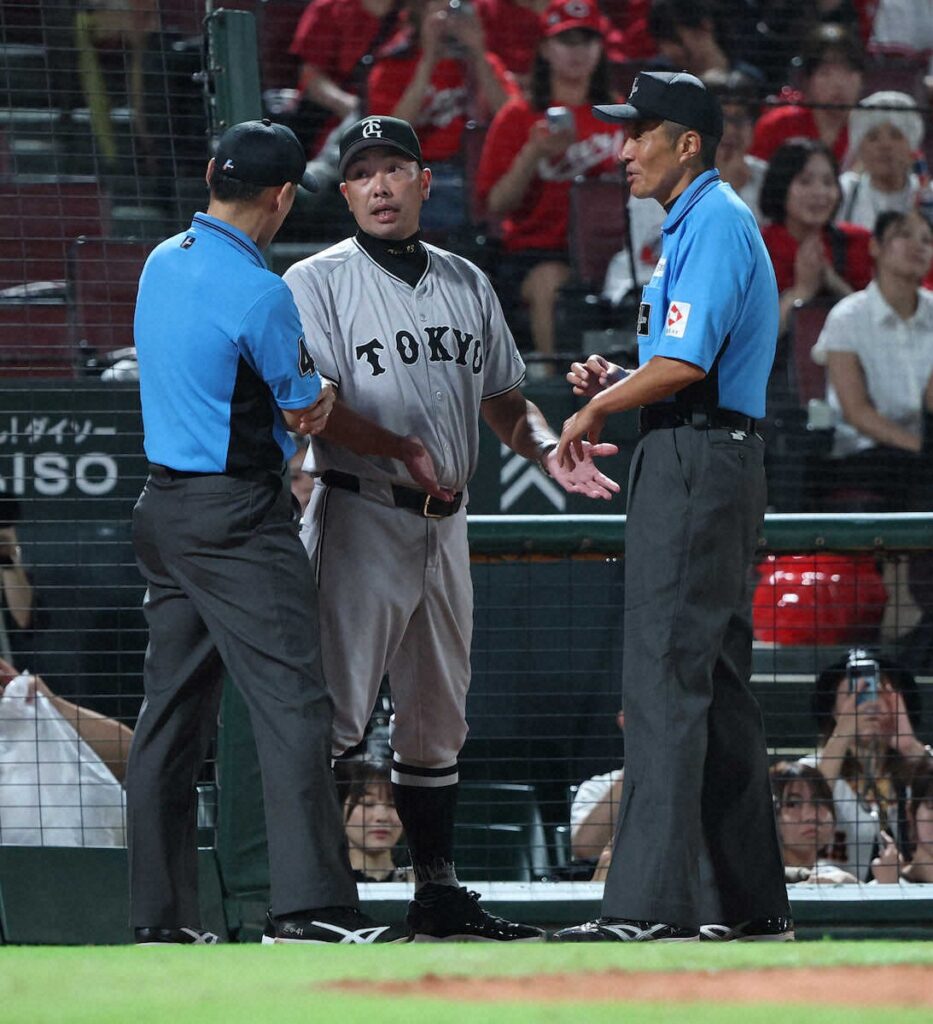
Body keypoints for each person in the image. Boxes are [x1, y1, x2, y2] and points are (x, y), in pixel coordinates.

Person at [283, 113, 619, 942]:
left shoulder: (466, 281)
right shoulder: (314, 280)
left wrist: (546, 447)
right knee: (332, 719)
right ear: (346, 192)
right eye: (362, 173)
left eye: (394, 168)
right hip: (359, 509)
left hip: (445, 523)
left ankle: (435, 892)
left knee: (437, 724)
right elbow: (315, 407)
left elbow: (503, 399)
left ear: (424, 182)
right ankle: (312, 901)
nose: (379, 185)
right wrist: (399, 447)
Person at [130, 118, 407, 947]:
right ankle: (309, 908)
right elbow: (303, 405)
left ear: (213, 179)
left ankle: (159, 922)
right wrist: (320, 393)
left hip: (163, 512)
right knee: (293, 707)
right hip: (236, 519)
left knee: (169, 718)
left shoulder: (160, 259)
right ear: (283, 197)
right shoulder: (261, 292)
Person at [551, 71, 793, 943]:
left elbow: (687, 367)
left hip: (697, 459)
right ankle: (750, 906)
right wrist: (621, 380)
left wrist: (595, 408)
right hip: (704, 449)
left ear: (686, 143)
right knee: (716, 688)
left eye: (638, 132)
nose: (622, 149)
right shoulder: (696, 223)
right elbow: (687, 366)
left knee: (663, 678)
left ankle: (646, 908)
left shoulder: (715, 221)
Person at [475, 0, 620, 359]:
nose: (578, 52)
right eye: (566, 41)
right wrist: (533, 154)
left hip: (613, 248)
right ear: (544, 49)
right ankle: (556, 382)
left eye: (587, 40)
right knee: (548, 282)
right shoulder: (519, 116)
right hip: (536, 250)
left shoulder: (618, 113)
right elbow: (496, 204)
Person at [602, 70, 767, 307]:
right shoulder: (656, 177)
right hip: (647, 292)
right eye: (721, 118)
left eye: (739, 119)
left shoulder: (765, 177)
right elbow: (663, 255)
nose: (730, 130)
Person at [810, 209, 933, 511]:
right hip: (864, 450)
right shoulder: (847, 317)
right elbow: (857, 412)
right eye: (904, 235)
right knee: (915, 474)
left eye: (927, 240)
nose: (918, 246)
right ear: (875, 246)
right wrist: (920, 447)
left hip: (924, 447)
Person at [365, 0, 519, 233]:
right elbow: (389, 134)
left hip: (479, 173)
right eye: (440, 6)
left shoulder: (484, 63)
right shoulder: (393, 63)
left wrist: (479, 53)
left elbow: (513, 121)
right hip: (418, 175)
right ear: (419, 12)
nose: (449, 14)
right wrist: (428, 60)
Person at [805, 652, 933, 881]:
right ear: (834, 710)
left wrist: (910, 747)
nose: (869, 704)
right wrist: (842, 735)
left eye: (878, 691)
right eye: (853, 694)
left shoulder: (919, 766)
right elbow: (806, 807)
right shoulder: (809, 769)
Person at [759, 138, 872, 337]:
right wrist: (802, 291)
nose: (820, 193)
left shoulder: (857, 242)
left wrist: (832, 282)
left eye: (828, 182)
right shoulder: (756, 247)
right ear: (781, 185)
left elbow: (874, 328)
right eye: (805, 181)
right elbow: (753, 338)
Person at [749, 23, 865, 165]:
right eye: (825, 73)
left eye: (848, 72)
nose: (838, 83)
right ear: (806, 81)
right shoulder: (777, 125)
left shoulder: (870, 130)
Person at [838, 91, 926, 229]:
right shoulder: (844, 192)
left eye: (896, 136)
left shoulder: (927, 196)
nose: (885, 145)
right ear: (859, 149)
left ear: (911, 145)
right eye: (873, 138)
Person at [769, 761, 860, 884]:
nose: (810, 816)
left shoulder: (834, 877)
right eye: (793, 803)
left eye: (818, 802)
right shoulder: (754, 877)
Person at [334, 758, 409, 881]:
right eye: (367, 804)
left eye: (393, 805)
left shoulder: (422, 884)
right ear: (340, 808)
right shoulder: (322, 884)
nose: (381, 817)